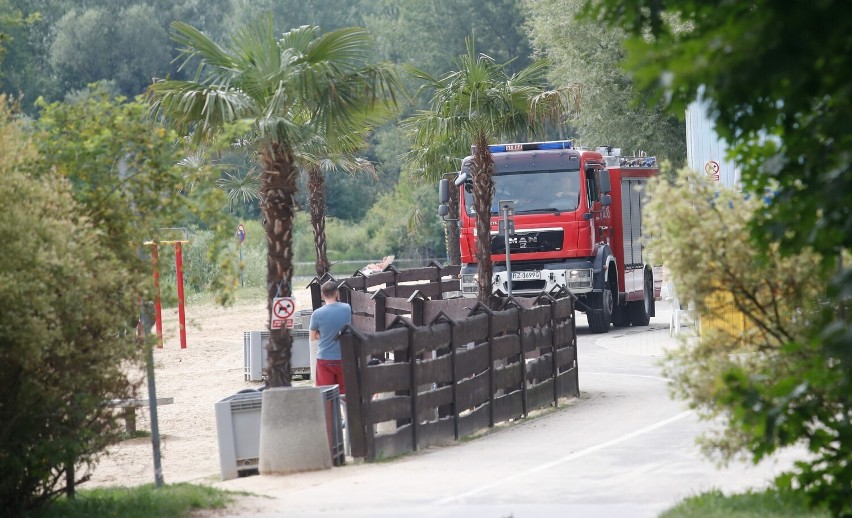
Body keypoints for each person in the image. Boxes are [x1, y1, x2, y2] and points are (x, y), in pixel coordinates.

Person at [309, 281, 352, 394]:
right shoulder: (347, 308)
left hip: (325, 359)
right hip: (343, 357)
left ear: (322, 295)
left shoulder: (317, 314)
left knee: (325, 396)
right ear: (337, 293)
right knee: (345, 395)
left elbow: (312, 337)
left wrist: (321, 334)